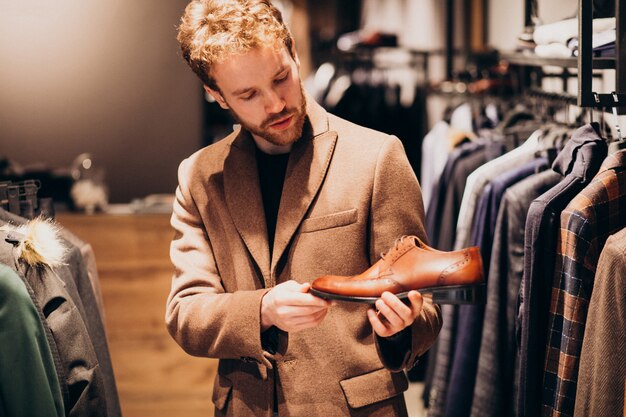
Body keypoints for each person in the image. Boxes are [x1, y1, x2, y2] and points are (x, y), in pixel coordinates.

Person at [165, 1, 442, 416]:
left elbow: (426, 306)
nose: (275, 103)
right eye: (248, 94)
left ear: (294, 52)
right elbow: (186, 312)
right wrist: (261, 310)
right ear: (215, 94)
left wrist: (402, 328)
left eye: (281, 78)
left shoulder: (377, 157)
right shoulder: (200, 177)